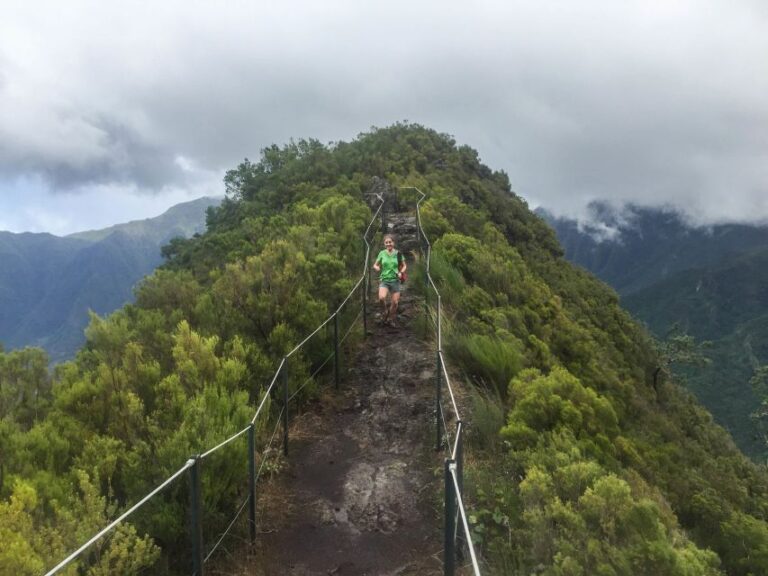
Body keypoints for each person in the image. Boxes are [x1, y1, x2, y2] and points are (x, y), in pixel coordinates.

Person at [372, 234, 406, 327]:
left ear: (393, 243)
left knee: (395, 302)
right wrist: (377, 268)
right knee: (381, 298)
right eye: (386, 242)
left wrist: (401, 273)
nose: (388, 244)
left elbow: (404, 265)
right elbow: (375, 264)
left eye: (390, 242)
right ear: (384, 244)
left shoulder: (398, 254)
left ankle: (390, 319)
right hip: (384, 279)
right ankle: (385, 312)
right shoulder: (382, 253)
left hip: (395, 280)